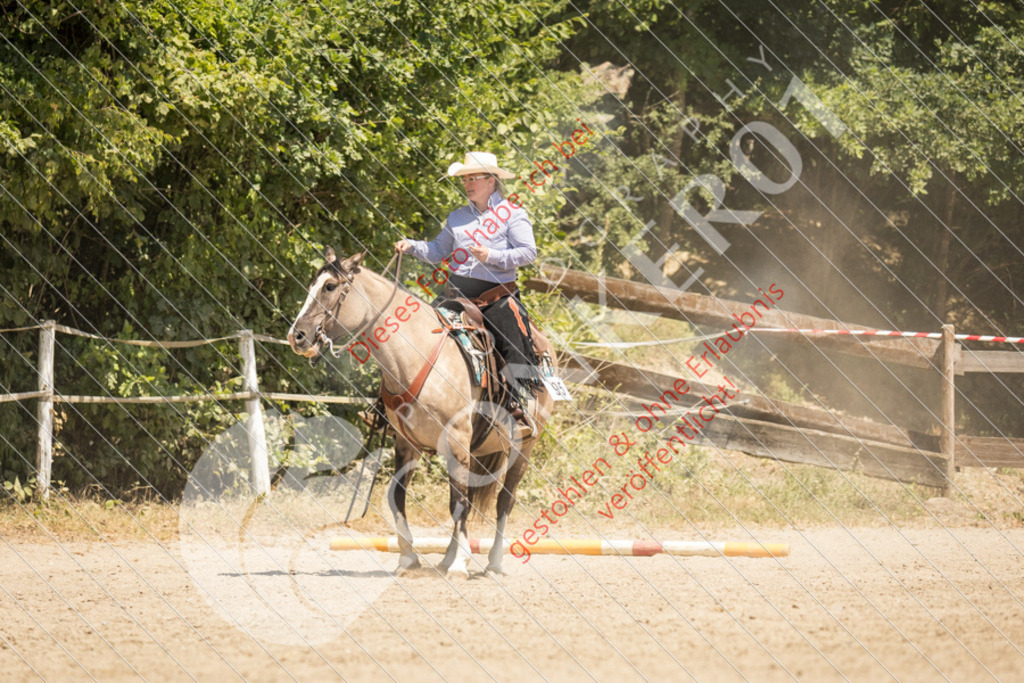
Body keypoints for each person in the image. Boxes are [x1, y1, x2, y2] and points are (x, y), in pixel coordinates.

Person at [395, 151, 541, 415]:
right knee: (413, 334)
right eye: (465, 179)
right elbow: (438, 251)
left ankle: (517, 403)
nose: (468, 184)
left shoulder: (513, 214)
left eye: (474, 178)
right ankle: (387, 406)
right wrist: (411, 246)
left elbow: (529, 252)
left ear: (491, 181)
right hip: (456, 294)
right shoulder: (457, 218)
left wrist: (492, 256)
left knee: (513, 343)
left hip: (496, 298)